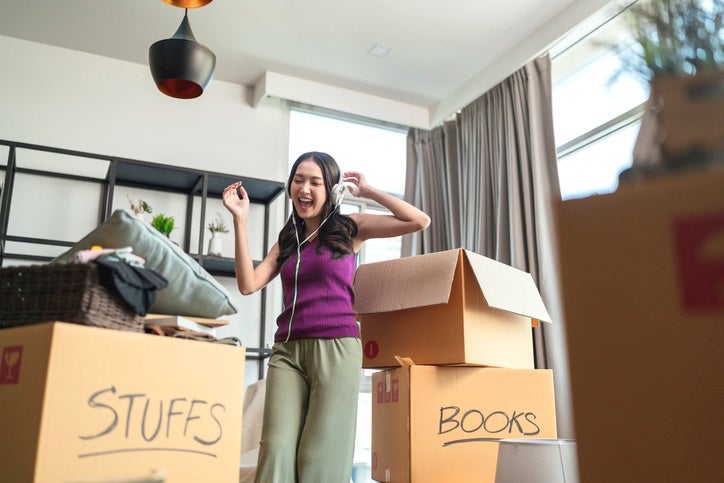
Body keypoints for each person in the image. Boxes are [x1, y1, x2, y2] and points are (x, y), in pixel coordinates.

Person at [222, 151, 430, 483]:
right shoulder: (288, 239)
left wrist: (370, 192)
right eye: (298, 180)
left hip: (336, 348)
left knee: (319, 457)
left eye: (315, 182)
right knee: (275, 448)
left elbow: (419, 220)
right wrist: (240, 220)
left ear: (330, 189)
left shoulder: (351, 228)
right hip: (287, 352)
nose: (304, 188)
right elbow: (249, 284)